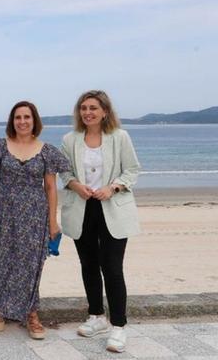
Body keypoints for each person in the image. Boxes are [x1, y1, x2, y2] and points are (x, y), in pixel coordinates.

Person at [0, 101, 68, 340]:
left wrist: (53, 221)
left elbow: (51, 187)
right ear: (12, 121)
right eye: (18, 117)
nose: (22, 121)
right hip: (3, 213)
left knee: (31, 264)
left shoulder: (47, 151)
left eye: (27, 117)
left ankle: (31, 314)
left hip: (35, 216)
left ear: (34, 120)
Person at [59, 90, 140, 353]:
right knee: (89, 265)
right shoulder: (70, 139)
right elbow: (65, 171)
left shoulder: (120, 137)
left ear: (105, 111)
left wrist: (113, 187)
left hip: (112, 208)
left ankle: (118, 326)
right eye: (83, 108)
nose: (88, 113)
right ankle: (96, 316)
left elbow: (132, 169)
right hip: (82, 208)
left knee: (112, 268)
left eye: (93, 108)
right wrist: (75, 185)